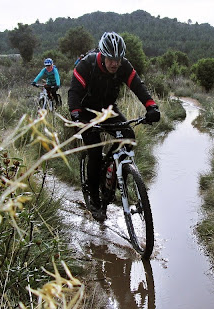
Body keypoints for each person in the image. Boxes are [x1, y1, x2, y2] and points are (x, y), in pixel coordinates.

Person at [69, 31, 161, 221]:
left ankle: (113, 176)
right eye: (111, 59)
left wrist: (151, 106)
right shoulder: (88, 64)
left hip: (108, 110)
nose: (114, 63)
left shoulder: (123, 66)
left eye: (118, 59)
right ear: (102, 54)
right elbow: (74, 92)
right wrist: (77, 115)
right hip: (86, 112)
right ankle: (94, 197)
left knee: (128, 137)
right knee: (94, 152)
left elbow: (138, 86)